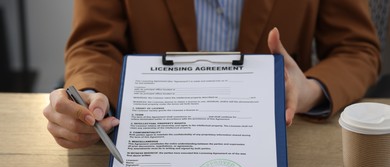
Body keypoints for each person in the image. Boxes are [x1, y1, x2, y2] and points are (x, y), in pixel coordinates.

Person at [43, 0, 381, 149]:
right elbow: (95, 43)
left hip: (280, 136)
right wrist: (91, 95)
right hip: (155, 136)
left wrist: (310, 89)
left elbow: (356, 48)